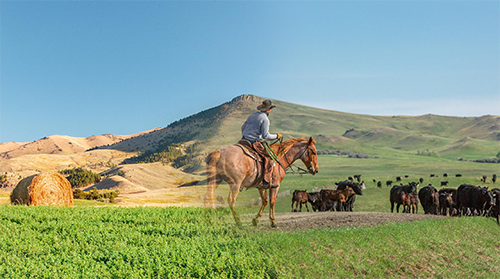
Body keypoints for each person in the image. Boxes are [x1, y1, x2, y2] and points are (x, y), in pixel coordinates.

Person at [240, 100, 283, 189]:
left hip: (243, 140)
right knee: (269, 159)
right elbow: (265, 135)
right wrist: (276, 136)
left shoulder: (252, 115)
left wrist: (246, 135)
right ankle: (265, 182)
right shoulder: (265, 119)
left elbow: (242, 127)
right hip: (253, 142)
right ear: (269, 110)